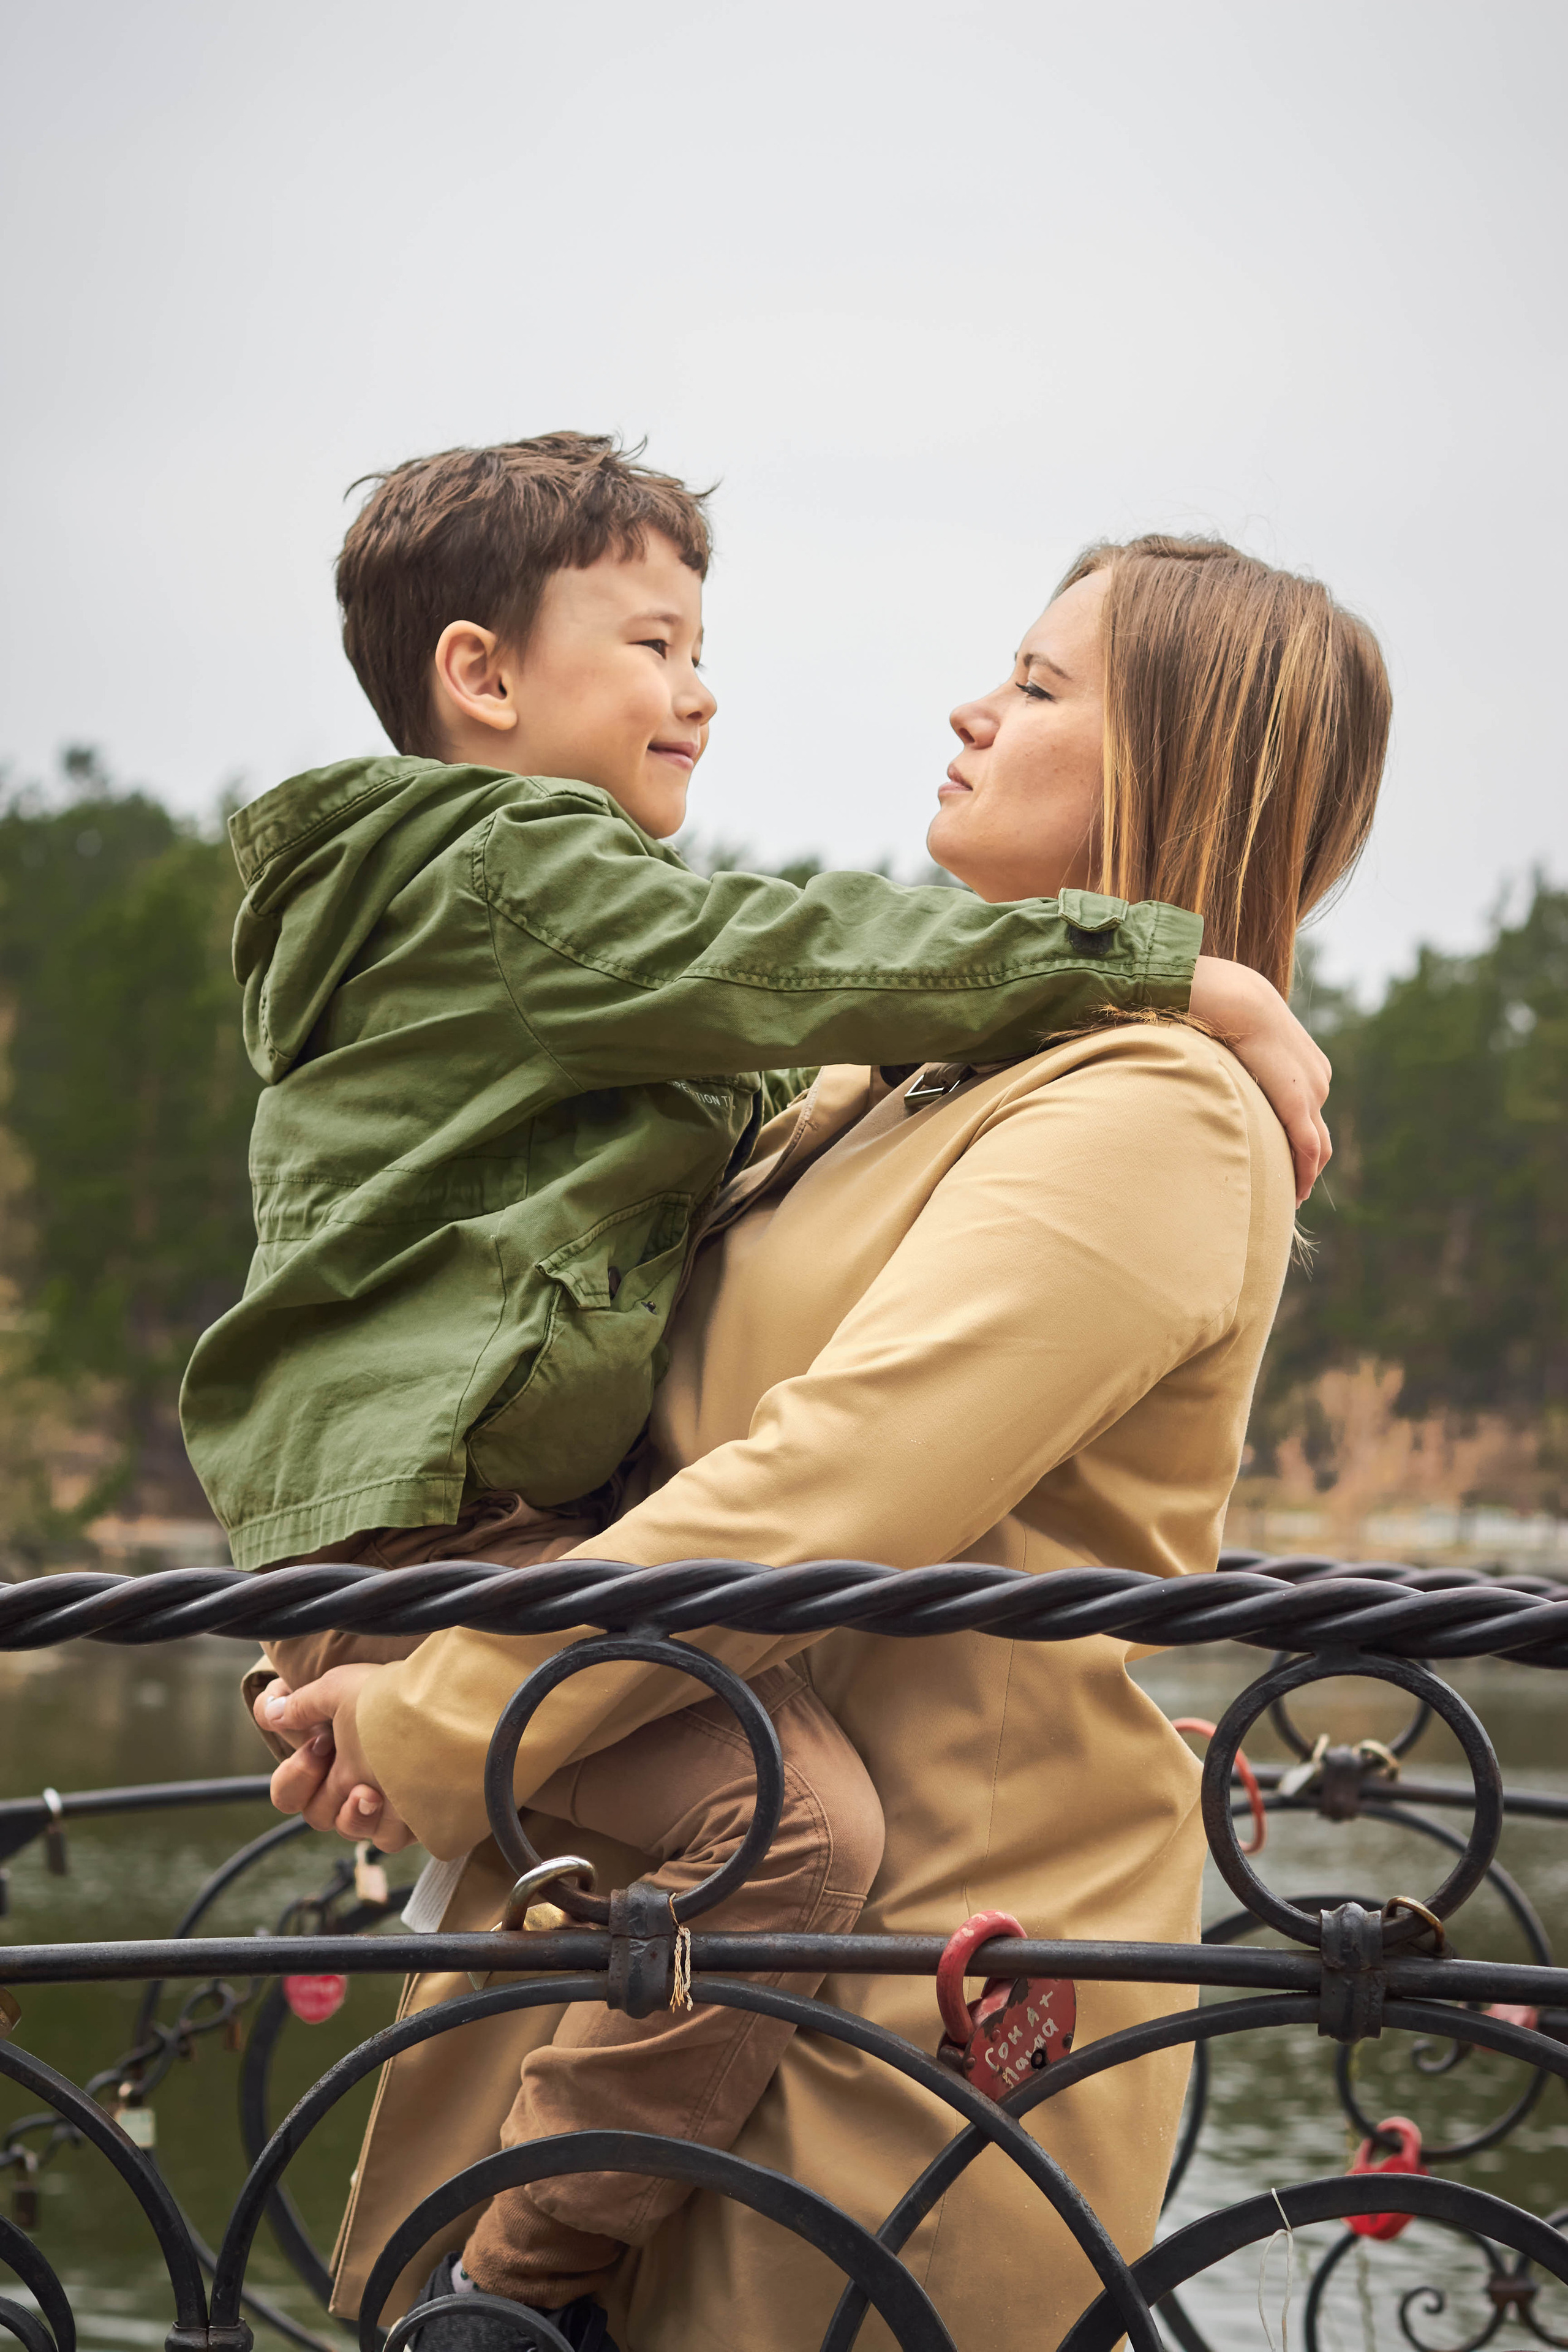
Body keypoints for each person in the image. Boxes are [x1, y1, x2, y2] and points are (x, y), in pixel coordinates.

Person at [258, 530, 1389, 2350]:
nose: (968, 707)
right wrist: (372, 1617)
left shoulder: (1155, 1110)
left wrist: (435, 1719)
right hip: (666, 1920)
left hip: (902, 2007)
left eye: (1035, 687)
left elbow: (823, 1494)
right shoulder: (882, 1084)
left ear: (1179, 759)